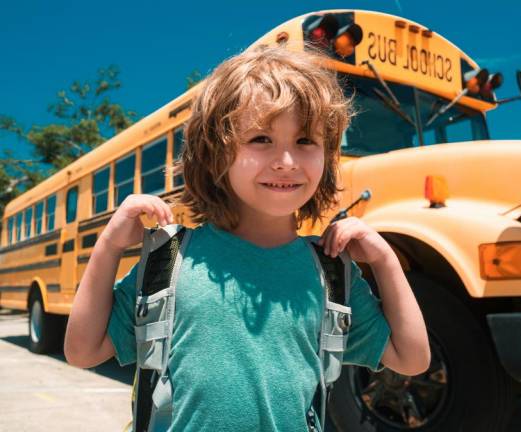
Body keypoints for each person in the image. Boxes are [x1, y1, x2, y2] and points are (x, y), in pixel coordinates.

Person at [64, 45, 430, 431]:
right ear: (215, 153)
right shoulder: (171, 259)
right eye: (261, 139)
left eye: (306, 141)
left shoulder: (330, 271)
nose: (286, 161)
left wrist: (385, 261)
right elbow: (83, 350)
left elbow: (412, 358)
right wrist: (109, 247)